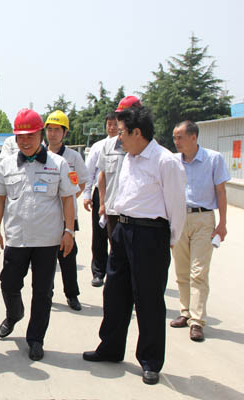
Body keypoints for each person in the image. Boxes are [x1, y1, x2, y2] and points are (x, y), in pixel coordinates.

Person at [83, 106, 186, 386]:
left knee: (148, 299)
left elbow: (177, 207)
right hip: (122, 229)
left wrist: (170, 240)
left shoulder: (165, 161)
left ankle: (150, 361)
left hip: (150, 235)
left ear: (137, 133)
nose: (118, 139)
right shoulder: (130, 158)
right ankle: (111, 348)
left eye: (122, 133)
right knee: (114, 293)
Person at [0, 109, 77, 361]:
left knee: (43, 292)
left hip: (47, 241)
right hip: (17, 238)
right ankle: (14, 314)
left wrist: (69, 231)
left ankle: (36, 339)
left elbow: (68, 199)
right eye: (20, 136)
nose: (25, 141)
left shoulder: (58, 164)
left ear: (40, 134)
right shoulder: (7, 164)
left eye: (30, 135)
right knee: (8, 284)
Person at [171, 120, 229, 342]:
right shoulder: (173, 161)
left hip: (203, 219)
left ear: (193, 137)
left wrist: (222, 223)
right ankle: (185, 312)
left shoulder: (213, 159)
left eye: (180, 137)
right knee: (181, 270)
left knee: (199, 272)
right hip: (179, 218)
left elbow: (221, 191)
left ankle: (197, 321)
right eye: (174, 137)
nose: (176, 141)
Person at [44, 110, 88, 311]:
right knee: (46, 258)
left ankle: (72, 295)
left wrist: (68, 200)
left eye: (57, 130)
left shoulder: (73, 157)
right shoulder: (39, 154)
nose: (52, 134)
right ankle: (47, 293)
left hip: (66, 217)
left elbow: (82, 181)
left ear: (65, 133)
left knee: (68, 256)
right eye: (49, 129)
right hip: (45, 215)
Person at [97, 97, 141, 241]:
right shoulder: (108, 145)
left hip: (137, 214)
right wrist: (102, 203)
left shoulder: (148, 148)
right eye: (120, 116)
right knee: (115, 250)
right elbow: (102, 176)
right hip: (113, 211)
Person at [83, 112, 117, 287]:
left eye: (115, 124)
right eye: (109, 124)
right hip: (100, 194)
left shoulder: (126, 146)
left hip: (118, 194)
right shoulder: (99, 146)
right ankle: (98, 272)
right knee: (99, 235)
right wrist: (87, 195)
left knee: (117, 236)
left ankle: (115, 272)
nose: (112, 127)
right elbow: (89, 172)